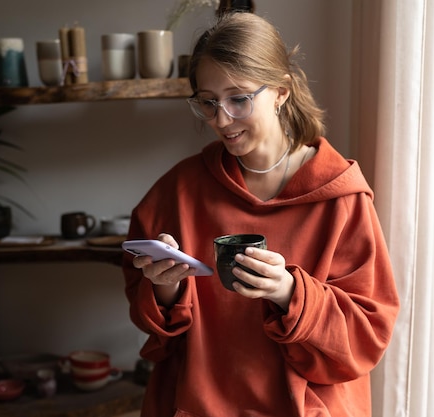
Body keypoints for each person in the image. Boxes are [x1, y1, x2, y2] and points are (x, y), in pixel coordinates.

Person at [123, 11, 400, 417]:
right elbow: (148, 314)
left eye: (238, 98)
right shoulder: (177, 191)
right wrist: (165, 288)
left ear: (282, 92)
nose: (221, 119)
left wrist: (287, 291)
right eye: (208, 102)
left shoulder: (341, 198)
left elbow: (366, 336)